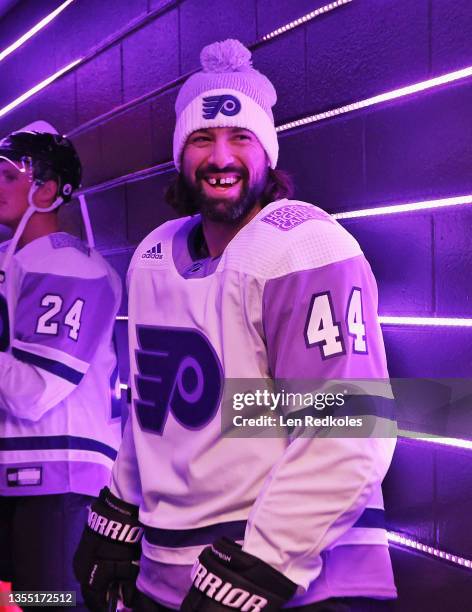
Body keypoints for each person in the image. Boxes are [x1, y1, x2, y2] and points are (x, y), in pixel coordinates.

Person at [74, 39, 397, 611]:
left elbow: (349, 429)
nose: (220, 157)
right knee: (35, 597)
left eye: (239, 137)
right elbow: (156, 412)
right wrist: (122, 505)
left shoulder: (305, 245)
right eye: (202, 138)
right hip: (169, 573)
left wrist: (263, 563)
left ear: (267, 150)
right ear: (180, 153)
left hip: (287, 580)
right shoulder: (155, 253)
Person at [0, 128, 122, 610]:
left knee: (49, 603)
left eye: (8, 176)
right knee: (18, 603)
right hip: (16, 473)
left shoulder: (73, 266)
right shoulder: (13, 260)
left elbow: (33, 391)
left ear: (46, 190)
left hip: (58, 480)